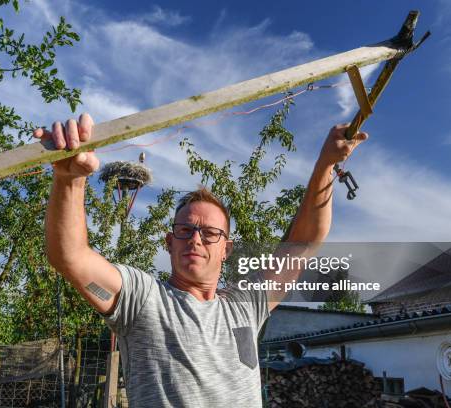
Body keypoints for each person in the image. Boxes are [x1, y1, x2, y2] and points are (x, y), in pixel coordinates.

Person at [34, 114, 367, 407]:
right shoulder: (144, 299)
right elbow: (71, 256)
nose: (195, 238)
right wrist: (70, 180)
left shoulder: (246, 304)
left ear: (227, 249)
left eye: (210, 233)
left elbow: (303, 244)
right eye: (185, 230)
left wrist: (325, 165)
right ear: (168, 242)